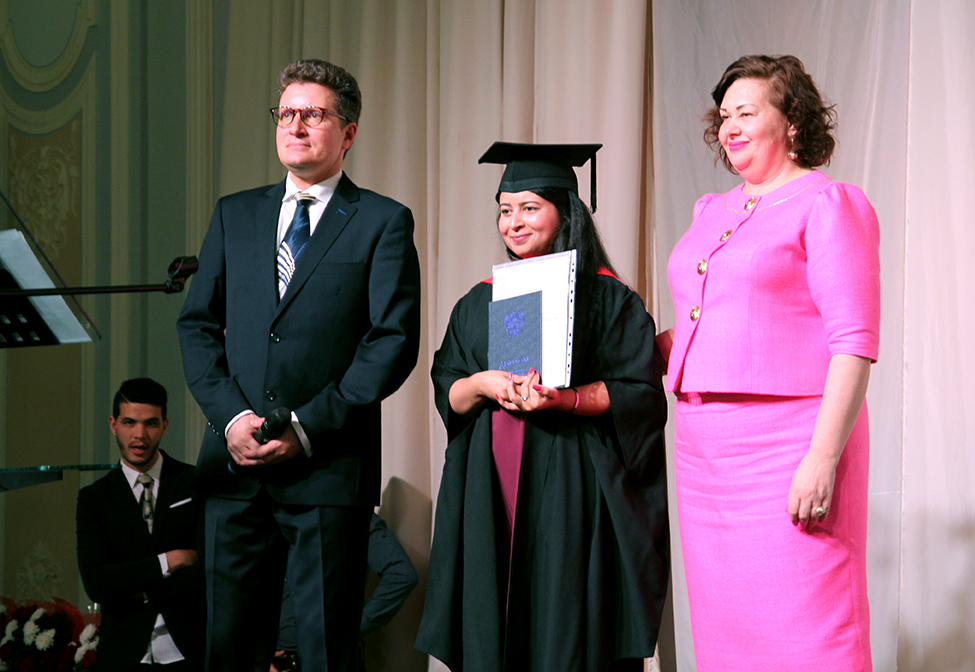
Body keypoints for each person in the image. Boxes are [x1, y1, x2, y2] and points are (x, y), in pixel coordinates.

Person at [176, 59, 421, 671]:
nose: (296, 126)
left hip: (326, 467)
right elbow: (198, 326)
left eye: (313, 114)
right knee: (228, 646)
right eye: (287, 114)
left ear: (349, 131)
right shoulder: (236, 214)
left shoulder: (381, 221)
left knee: (324, 649)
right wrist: (232, 419)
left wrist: (307, 427)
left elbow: (391, 342)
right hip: (235, 468)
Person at [662, 54, 880, 671]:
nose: (729, 125)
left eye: (746, 112)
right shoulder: (712, 210)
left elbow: (854, 342)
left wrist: (822, 458)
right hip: (706, 457)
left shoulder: (829, 203)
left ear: (790, 122)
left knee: (810, 623)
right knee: (727, 629)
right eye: (723, 114)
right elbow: (710, 326)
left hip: (788, 446)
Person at [417, 142, 670, 672]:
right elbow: (449, 391)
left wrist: (567, 399)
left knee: (564, 624)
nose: (513, 223)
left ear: (566, 211)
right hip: (491, 486)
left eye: (529, 207)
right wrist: (485, 383)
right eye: (505, 211)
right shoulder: (478, 301)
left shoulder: (608, 300)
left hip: (574, 485)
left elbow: (638, 395)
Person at [76, 378, 204, 672]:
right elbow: (97, 583)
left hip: (190, 650)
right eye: (129, 423)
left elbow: (208, 571)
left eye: (151, 424)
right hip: (123, 653)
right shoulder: (94, 499)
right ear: (113, 424)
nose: (140, 435)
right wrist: (169, 561)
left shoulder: (193, 483)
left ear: (165, 425)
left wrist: (135, 591)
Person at [271, 513, 419, 671]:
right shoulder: (277, 516)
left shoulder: (352, 516)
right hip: (279, 660)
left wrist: (350, 630)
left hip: (331, 659)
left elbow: (402, 575)